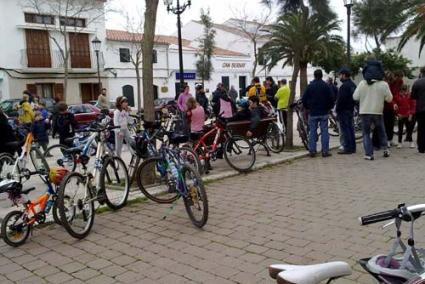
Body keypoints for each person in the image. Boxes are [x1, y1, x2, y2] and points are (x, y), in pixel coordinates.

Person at [353, 70, 393, 160]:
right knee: (381, 131)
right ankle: (385, 149)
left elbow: (355, 97)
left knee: (366, 133)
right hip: (378, 111)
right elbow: (389, 99)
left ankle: (369, 154)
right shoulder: (383, 84)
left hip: (365, 112)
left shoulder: (362, 83)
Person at [302, 69, 335, 157]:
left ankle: (312, 151)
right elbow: (331, 98)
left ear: (314, 75)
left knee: (312, 132)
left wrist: (307, 107)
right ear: (321, 76)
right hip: (324, 112)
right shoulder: (326, 86)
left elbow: (304, 99)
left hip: (313, 113)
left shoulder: (310, 86)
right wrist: (329, 107)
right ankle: (325, 151)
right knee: (324, 131)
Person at [335, 68, 357, 154]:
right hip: (350, 109)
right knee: (350, 129)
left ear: (344, 75)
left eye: (340, 75)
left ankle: (347, 147)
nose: (339, 76)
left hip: (343, 110)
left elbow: (341, 100)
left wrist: (337, 109)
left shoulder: (344, 86)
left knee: (345, 129)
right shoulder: (353, 85)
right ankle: (352, 147)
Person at [393, 84, 416, 148]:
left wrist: (411, 114)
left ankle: (411, 142)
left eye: (405, 90)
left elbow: (413, 105)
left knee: (409, 129)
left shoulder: (410, 96)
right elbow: (394, 104)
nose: (404, 92)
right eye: (402, 91)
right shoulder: (397, 96)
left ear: (407, 90)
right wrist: (397, 114)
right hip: (400, 115)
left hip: (408, 115)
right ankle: (399, 142)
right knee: (400, 130)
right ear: (400, 90)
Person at [411, 67, 425, 153]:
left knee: (421, 128)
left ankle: (421, 148)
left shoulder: (417, 82)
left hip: (421, 109)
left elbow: (413, 96)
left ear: (421, 72)